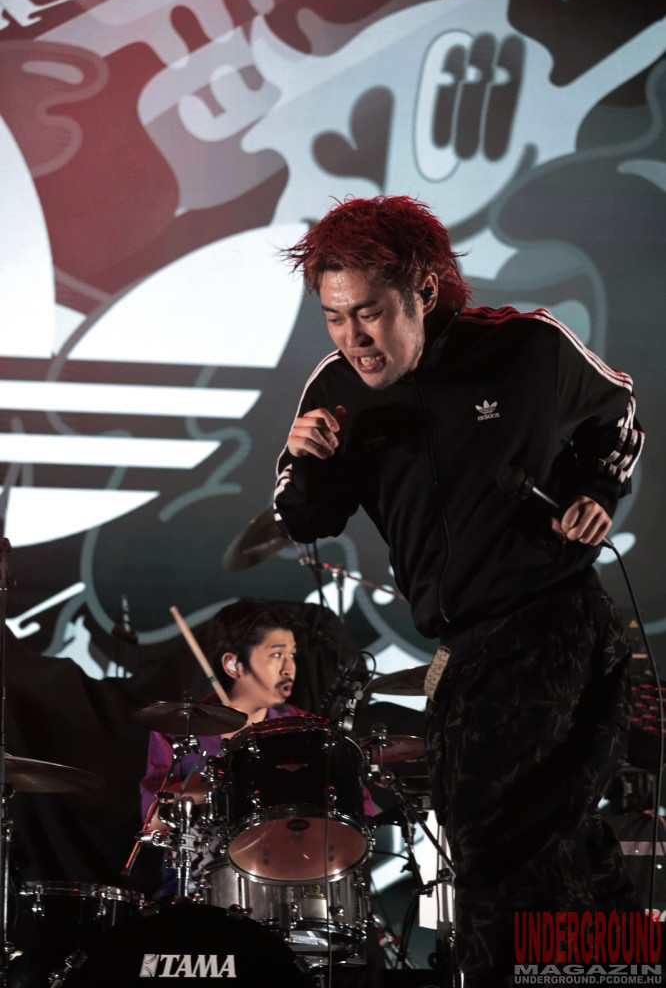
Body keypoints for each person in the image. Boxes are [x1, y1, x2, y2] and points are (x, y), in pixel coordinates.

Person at [273, 195, 645, 985]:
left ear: (424, 289)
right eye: (334, 317)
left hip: (555, 623)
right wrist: (305, 462)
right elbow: (307, 518)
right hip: (470, 645)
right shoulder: (337, 388)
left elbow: (617, 411)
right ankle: (624, 970)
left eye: (369, 313)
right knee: (556, 841)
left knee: (487, 837)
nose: (353, 337)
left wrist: (597, 491)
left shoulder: (526, 347)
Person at [139, 597, 307, 896]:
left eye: (292, 655)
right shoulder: (179, 728)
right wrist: (226, 777)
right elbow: (152, 823)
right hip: (196, 894)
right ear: (233, 664)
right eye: (277, 654)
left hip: (288, 890)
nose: (289, 668)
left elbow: (354, 815)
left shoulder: (304, 729)